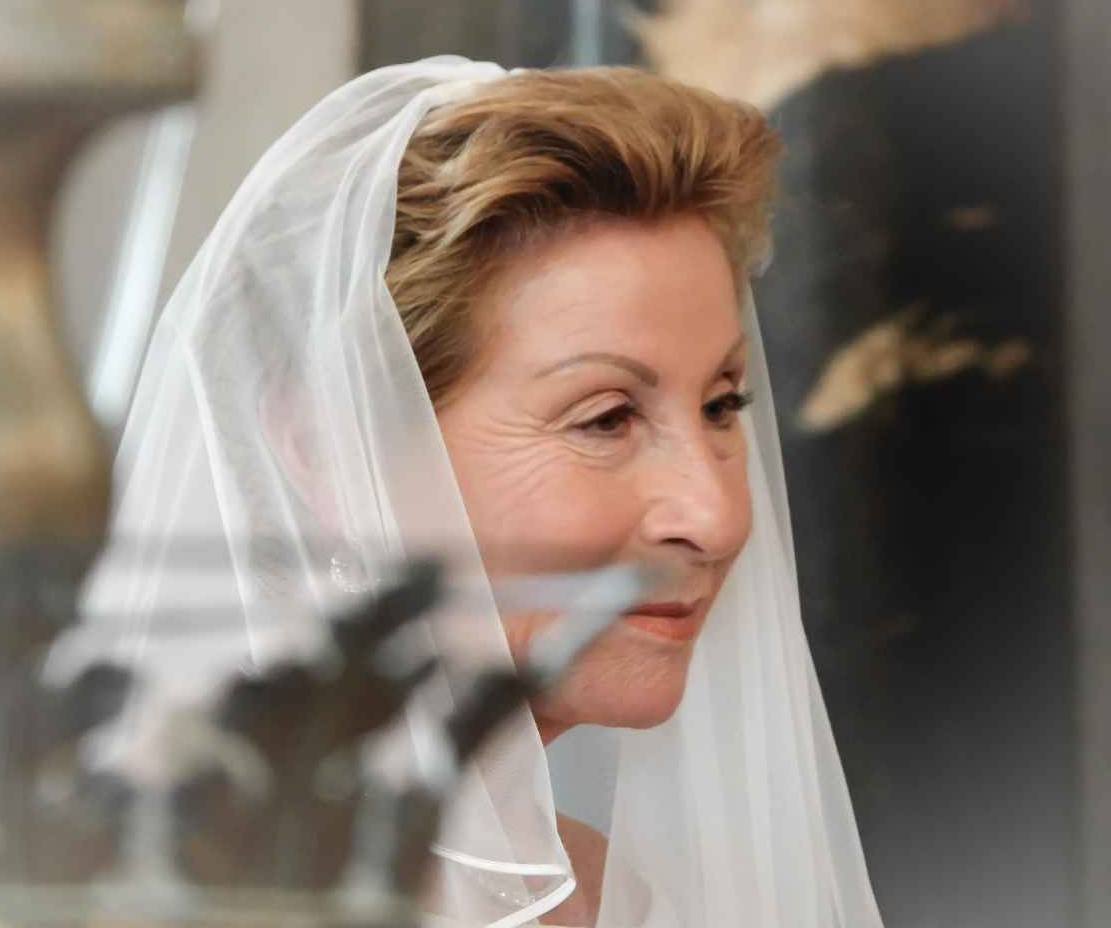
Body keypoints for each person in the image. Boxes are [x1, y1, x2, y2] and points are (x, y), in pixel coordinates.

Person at [76, 57, 883, 927]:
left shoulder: (617, 899)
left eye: (722, 405)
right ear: (326, 450)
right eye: (606, 418)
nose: (716, 517)